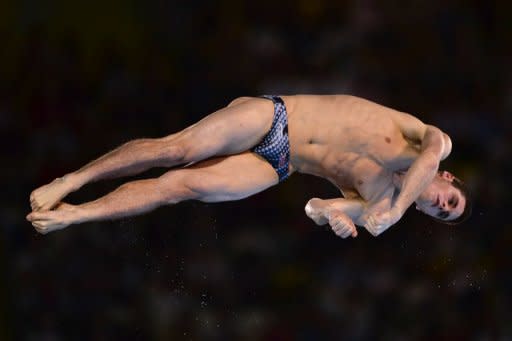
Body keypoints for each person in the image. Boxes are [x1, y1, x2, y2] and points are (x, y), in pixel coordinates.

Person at [27, 94, 471, 237]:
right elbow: (429, 159)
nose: (440, 205)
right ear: (447, 179)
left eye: (441, 213)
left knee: (179, 187)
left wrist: (334, 217)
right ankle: (75, 178)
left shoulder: (379, 201)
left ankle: (78, 213)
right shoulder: (433, 144)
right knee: (178, 149)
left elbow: (316, 206)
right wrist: (392, 214)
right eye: (449, 200)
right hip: (277, 115)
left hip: (281, 162)